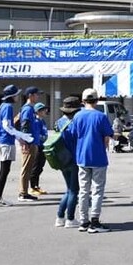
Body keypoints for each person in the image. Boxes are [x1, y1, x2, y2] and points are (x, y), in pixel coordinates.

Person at [69, 88, 114, 233]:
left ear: (83, 101)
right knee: (97, 190)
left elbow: (73, 134)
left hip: (82, 157)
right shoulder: (101, 116)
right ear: (97, 100)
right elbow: (108, 136)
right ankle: (95, 220)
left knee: (83, 190)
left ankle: (83, 221)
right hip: (98, 157)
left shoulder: (77, 116)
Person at [0, 85, 33, 207]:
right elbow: (7, 126)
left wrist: (19, 138)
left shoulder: (2, 106)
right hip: (6, 142)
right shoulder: (8, 107)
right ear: (12, 96)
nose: (18, 97)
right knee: (4, 170)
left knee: (5, 170)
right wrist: (21, 136)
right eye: (16, 95)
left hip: (4, 141)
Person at [54, 96, 81, 228]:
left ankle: (60, 217)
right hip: (74, 158)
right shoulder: (75, 123)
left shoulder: (58, 122)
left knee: (69, 189)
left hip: (62, 158)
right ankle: (70, 218)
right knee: (74, 190)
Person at [18, 86, 44, 202]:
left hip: (33, 142)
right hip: (29, 143)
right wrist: (25, 141)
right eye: (36, 94)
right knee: (26, 168)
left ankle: (25, 191)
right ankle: (23, 193)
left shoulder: (31, 109)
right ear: (30, 95)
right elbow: (25, 124)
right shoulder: (27, 109)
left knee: (29, 168)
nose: (38, 96)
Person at [29, 102, 49, 196]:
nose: (45, 111)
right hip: (38, 146)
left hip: (43, 146)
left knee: (40, 167)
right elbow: (37, 135)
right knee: (35, 167)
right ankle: (32, 187)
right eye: (43, 110)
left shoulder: (42, 121)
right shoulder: (36, 122)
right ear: (38, 111)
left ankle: (36, 186)